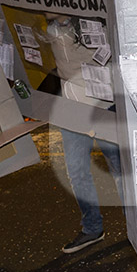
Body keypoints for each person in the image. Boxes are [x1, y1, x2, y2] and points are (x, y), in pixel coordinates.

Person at [39, 13, 122, 254]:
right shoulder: (50, 29)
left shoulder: (92, 21)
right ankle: (92, 228)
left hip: (103, 106)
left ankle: (136, 226)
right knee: (76, 171)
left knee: (118, 168)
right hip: (71, 109)